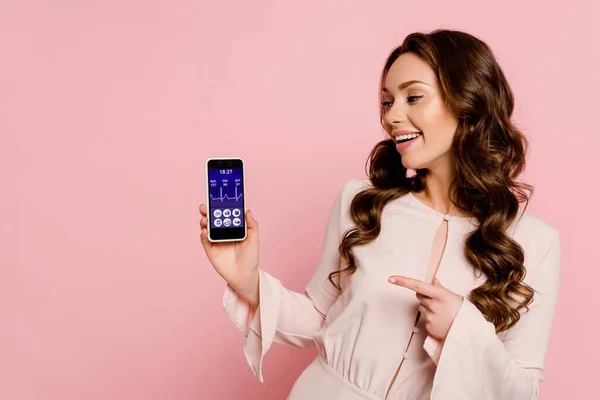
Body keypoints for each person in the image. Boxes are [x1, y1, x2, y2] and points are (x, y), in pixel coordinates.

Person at [199, 29, 561, 400]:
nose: (392, 117)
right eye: (387, 102)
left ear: (468, 102)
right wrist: (246, 281)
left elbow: (522, 390)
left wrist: (462, 329)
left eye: (413, 97)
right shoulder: (361, 204)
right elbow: (321, 319)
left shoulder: (534, 241)